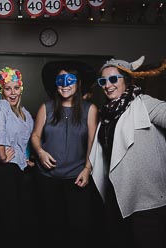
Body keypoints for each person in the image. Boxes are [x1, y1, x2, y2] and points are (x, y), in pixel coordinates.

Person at [89, 55, 166, 248]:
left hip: (147, 199)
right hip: (117, 197)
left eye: (113, 79)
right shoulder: (107, 112)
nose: (107, 85)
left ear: (127, 80)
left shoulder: (144, 103)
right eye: (103, 81)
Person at [30, 67, 98, 248]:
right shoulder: (46, 107)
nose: (65, 85)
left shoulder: (89, 109)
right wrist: (40, 152)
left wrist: (87, 168)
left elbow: (92, 141)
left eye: (70, 80)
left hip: (76, 178)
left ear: (78, 83)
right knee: (50, 226)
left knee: (78, 227)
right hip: (47, 178)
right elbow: (35, 136)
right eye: (61, 81)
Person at [0, 66, 35, 248]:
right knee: (6, 218)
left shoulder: (26, 115)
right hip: (1, 168)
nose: (12, 93)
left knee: (18, 216)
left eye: (15, 88)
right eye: (7, 88)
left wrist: (25, 158)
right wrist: (2, 155)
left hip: (16, 169)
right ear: (1, 90)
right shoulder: (1, 105)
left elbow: (24, 142)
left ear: (21, 88)